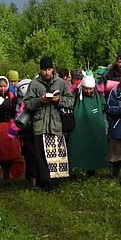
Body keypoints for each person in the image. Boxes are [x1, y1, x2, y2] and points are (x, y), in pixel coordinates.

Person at [23, 56, 74, 191]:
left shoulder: (61, 83)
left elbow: (70, 101)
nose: (47, 72)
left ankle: (55, 181)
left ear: (53, 69)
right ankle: (44, 183)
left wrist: (59, 99)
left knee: (56, 154)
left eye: (49, 69)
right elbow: (27, 103)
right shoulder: (34, 84)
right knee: (41, 155)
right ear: (40, 70)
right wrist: (39, 100)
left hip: (56, 124)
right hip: (39, 124)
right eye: (44, 70)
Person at [68, 74, 108, 177]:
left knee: (93, 149)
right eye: (86, 89)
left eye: (91, 89)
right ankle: (74, 172)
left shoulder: (98, 96)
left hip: (94, 127)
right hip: (78, 128)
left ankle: (91, 172)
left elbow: (104, 109)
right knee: (76, 148)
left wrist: (105, 124)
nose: (89, 91)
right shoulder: (75, 95)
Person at [0, 76, 22, 183]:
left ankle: (9, 175)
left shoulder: (12, 95)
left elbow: (16, 110)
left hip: (10, 126)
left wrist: (13, 121)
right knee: (0, 150)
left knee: (10, 151)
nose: (2, 88)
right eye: (0, 86)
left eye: (4, 86)